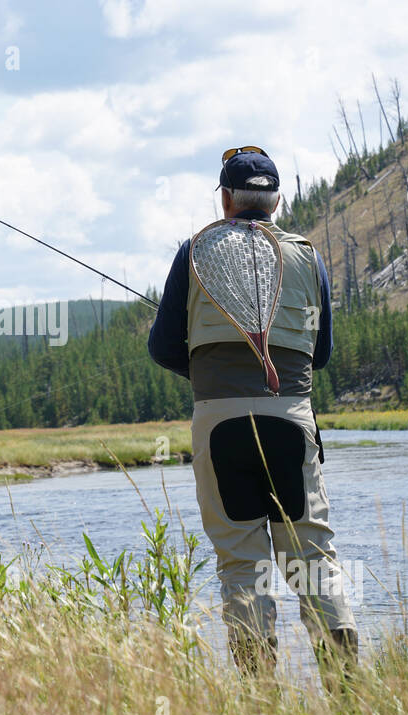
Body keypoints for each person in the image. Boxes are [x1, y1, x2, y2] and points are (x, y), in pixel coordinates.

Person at [147, 147, 357, 686]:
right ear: (278, 200)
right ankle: (348, 693)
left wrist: (212, 371)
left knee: (242, 566)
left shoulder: (193, 252)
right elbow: (322, 351)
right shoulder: (308, 256)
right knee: (312, 558)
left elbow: (165, 348)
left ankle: (262, 700)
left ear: (225, 200)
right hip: (291, 416)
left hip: (219, 426)